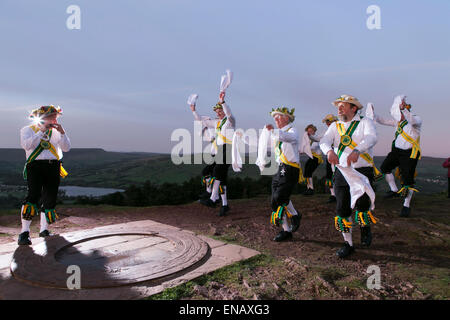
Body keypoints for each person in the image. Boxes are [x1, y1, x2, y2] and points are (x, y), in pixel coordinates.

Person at [320, 95, 378, 258]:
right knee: (342, 208)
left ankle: (365, 228)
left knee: (362, 204)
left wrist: (357, 150)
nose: (339, 108)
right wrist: (329, 151)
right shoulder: (335, 126)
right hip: (341, 171)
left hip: (362, 170)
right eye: (338, 106)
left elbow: (371, 137)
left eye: (343, 105)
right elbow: (324, 141)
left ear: (353, 108)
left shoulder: (365, 122)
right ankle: (348, 243)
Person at [18, 105, 71, 245]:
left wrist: (63, 133)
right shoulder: (27, 130)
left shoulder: (57, 132)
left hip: (53, 166)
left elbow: (66, 148)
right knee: (33, 196)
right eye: (50, 117)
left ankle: (44, 230)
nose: (54, 119)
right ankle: (24, 233)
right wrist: (41, 131)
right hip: (35, 166)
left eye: (55, 117)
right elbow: (27, 146)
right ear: (42, 118)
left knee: (50, 197)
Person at [374, 95, 422, 217]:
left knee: (407, 180)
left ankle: (406, 205)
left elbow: (411, 120)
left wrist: (403, 108)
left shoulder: (416, 120)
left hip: (410, 154)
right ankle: (394, 190)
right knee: (385, 167)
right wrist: (373, 114)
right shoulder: (397, 122)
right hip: (396, 152)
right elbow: (383, 121)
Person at [190, 91, 235, 216]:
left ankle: (213, 198)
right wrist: (194, 110)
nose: (218, 113)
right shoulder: (217, 123)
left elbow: (229, 112)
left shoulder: (230, 120)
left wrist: (223, 101)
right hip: (219, 150)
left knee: (217, 172)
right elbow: (201, 121)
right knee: (214, 174)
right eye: (217, 111)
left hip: (228, 149)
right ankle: (223, 203)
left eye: (220, 110)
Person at [265, 107, 302, 242]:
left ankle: (294, 214)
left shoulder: (292, 131)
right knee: (274, 202)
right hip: (280, 167)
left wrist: (273, 131)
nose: (275, 119)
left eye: (279, 116)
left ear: (287, 118)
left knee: (280, 196)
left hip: (291, 168)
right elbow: (265, 143)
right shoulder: (277, 133)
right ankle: (286, 230)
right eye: (274, 117)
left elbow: (288, 138)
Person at [301, 124, 323, 196]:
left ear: (314, 131)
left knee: (308, 171)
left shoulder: (316, 139)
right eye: (308, 131)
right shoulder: (308, 140)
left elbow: (312, 148)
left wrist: (302, 150)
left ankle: (311, 189)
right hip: (312, 157)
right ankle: (309, 188)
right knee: (307, 171)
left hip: (316, 158)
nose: (309, 132)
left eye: (311, 131)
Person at [322, 114, 338, 203]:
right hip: (330, 155)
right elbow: (320, 139)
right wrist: (310, 136)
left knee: (340, 173)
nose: (327, 124)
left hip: (340, 155)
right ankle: (333, 195)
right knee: (329, 174)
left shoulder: (341, 129)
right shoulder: (327, 132)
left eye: (329, 122)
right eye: (327, 122)